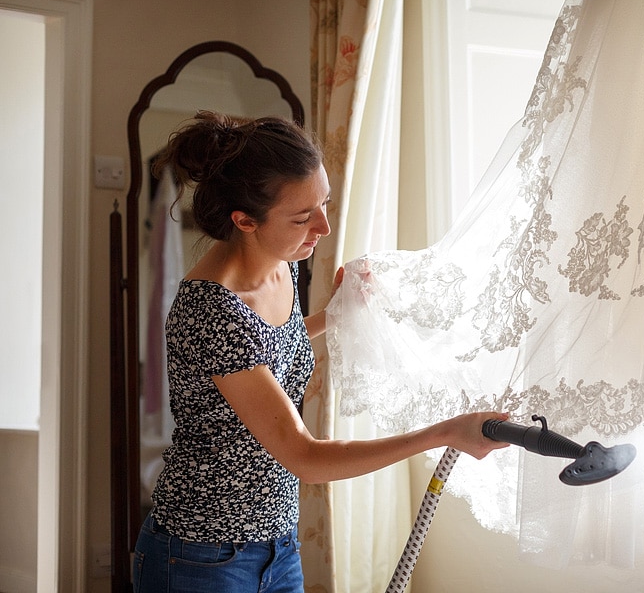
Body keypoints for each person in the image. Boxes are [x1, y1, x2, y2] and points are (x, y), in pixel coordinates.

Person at [131, 110, 509, 592]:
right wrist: (445, 433)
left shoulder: (279, 265)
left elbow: (263, 351)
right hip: (202, 557)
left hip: (277, 542)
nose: (324, 227)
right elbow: (304, 457)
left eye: (324, 203)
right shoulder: (212, 310)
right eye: (303, 216)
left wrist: (335, 316)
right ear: (245, 220)